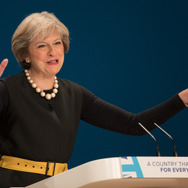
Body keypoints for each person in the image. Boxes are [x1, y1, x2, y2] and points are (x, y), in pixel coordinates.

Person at [0, 11, 187, 187]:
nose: (52, 52)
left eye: (57, 43)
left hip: (61, 183)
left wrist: (180, 100)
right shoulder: (7, 89)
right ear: (25, 54)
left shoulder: (75, 93)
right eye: (42, 45)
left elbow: (134, 125)